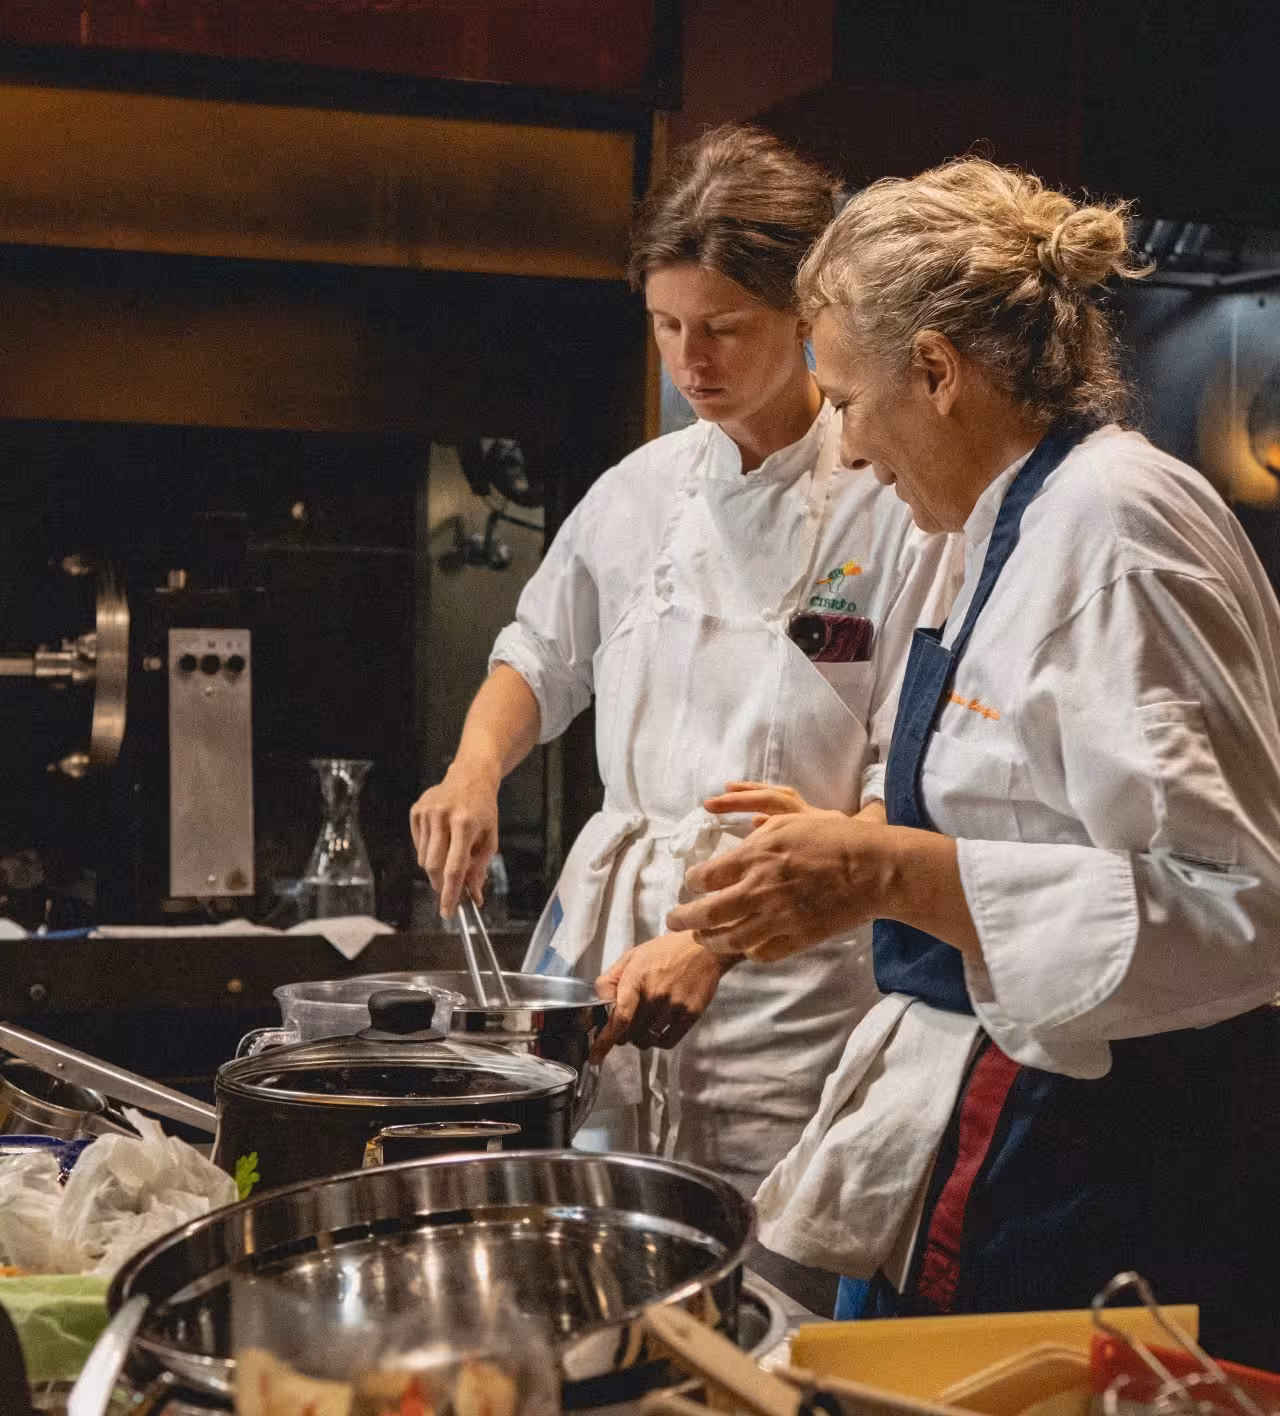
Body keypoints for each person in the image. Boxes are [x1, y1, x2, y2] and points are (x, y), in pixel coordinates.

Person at [663, 157, 1280, 1365]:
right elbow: (1030, 807)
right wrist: (842, 844)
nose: (842, 450)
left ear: (936, 372)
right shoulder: (996, 519)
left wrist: (892, 872)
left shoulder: (1113, 535)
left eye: (842, 401)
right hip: (1010, 1134)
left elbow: (1238, 911)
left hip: (1108, 1170)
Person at [410, 126, 958, 1200]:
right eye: (665, 325)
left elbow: (911, 779)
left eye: (721, 327)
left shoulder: (890, 497)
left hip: (794, 980)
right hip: (608, 957)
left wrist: (714, 941)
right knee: (596, 1226)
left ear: (808, 318)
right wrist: (473, 771)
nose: (689, 360)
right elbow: (537, 654)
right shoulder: (639, 490)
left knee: (770, 1251)